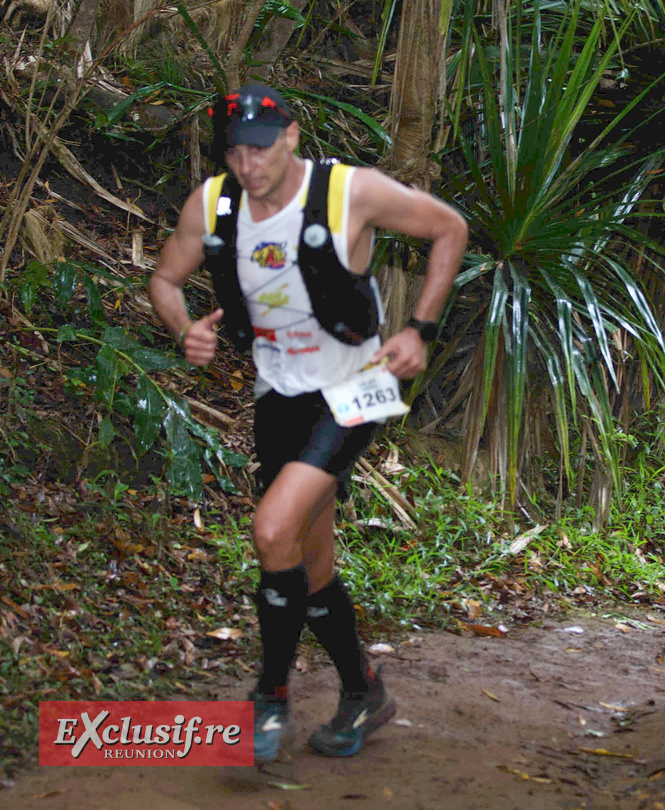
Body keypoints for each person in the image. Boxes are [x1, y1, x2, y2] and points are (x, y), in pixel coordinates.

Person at [149, 84, 467, 763]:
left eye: (260, 148)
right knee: (309, 559)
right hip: (279, 393)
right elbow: (166, 280)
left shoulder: (350, 192)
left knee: (270, 530)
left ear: (291, 136)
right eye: (235, 151)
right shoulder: (213, 205)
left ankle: (269, 696)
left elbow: (450, 228)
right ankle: (364, 690)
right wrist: (185, 332)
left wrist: (419, 330)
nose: (248, 164)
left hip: (357, 384)